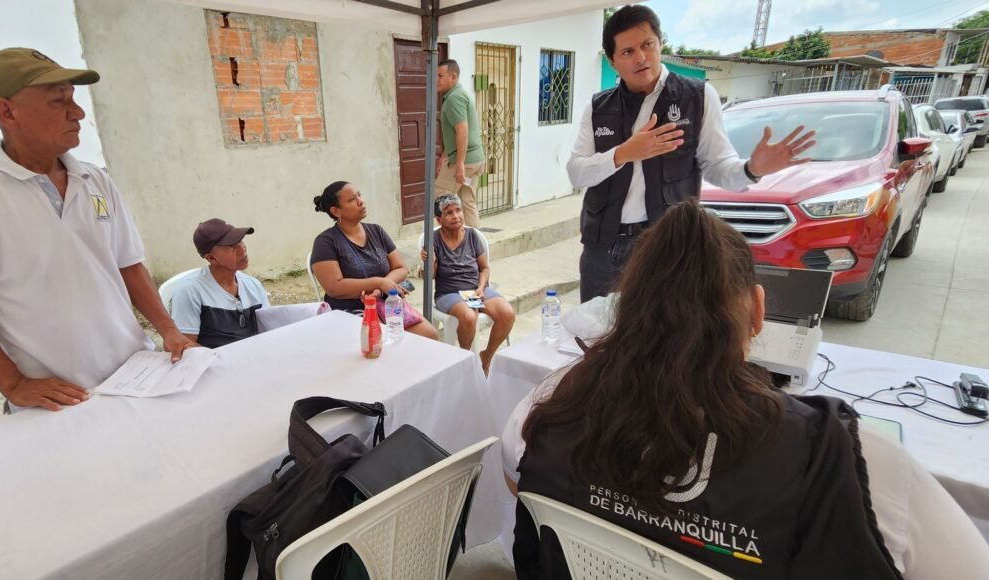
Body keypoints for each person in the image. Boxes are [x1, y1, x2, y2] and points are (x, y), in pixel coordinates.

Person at [503, 201, 989, 579]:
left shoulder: (548, 408)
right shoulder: (847, 462)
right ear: (758, 312)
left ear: (624, 310)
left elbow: (522, 489)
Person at [0, 47, 194, 412]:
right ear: (7, 111)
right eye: (59, 102)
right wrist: (13, 383)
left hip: (134, 374)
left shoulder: (94, 179)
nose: (78, 113)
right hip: (54, 400)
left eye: (73, 98)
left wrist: (168, 329)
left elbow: (129, 264)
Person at [569, 5, 816, 302]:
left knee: (664, 335)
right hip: (603, 247)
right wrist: (623, 152)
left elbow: (717, 165)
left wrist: (752, 168)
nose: (641, 57)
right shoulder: (598, 107)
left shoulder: (696, 97)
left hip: (667, 245)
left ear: (660, 44)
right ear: (612, 61)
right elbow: (576, 171)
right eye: (628, 52)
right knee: (595, 334)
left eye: (647, 45)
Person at [310, 181, 439, 340]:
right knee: (380, 346)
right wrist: (378, 282)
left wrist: (381, 288)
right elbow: (334, 287)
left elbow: (400, 268)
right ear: (336, 211)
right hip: (350, 311)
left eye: (359, 195)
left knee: (430, 335)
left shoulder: (376, 231)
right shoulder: (326, 242)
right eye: (351, 200)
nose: (361, 201)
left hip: (386, 303)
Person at [422, 194, 515, 373]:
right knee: (468, 316)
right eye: (449, 212)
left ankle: (485, 358)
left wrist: (481, 288)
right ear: (439, 219)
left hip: (475, 289)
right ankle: (465, 360)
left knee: (507, 313)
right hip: (449, 293)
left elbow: (484, 268)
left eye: (458, 210)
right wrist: (430, 261)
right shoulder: (432, 239)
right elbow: (430, 277)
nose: (456, 215)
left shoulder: (472, 235)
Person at [170, 218, 270, 348]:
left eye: (240, 240)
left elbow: (269, 329)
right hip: (216, 363)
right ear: (212, 258)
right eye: (231, 247)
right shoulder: (190, 290)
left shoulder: (253, 285)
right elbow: (185, 345)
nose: (242, 249)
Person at [435, 59, 486, 229]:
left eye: (440, 76)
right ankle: (476, 245)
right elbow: (454, 133)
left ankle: (441, 245)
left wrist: (459, 164)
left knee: (440, 200)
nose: (437, 80)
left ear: (453, 77)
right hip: (475, 160)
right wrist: (444, 155)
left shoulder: (454, 98)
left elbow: (462, 132)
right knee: (467, 201)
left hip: (466, 162)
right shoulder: (459, 94)